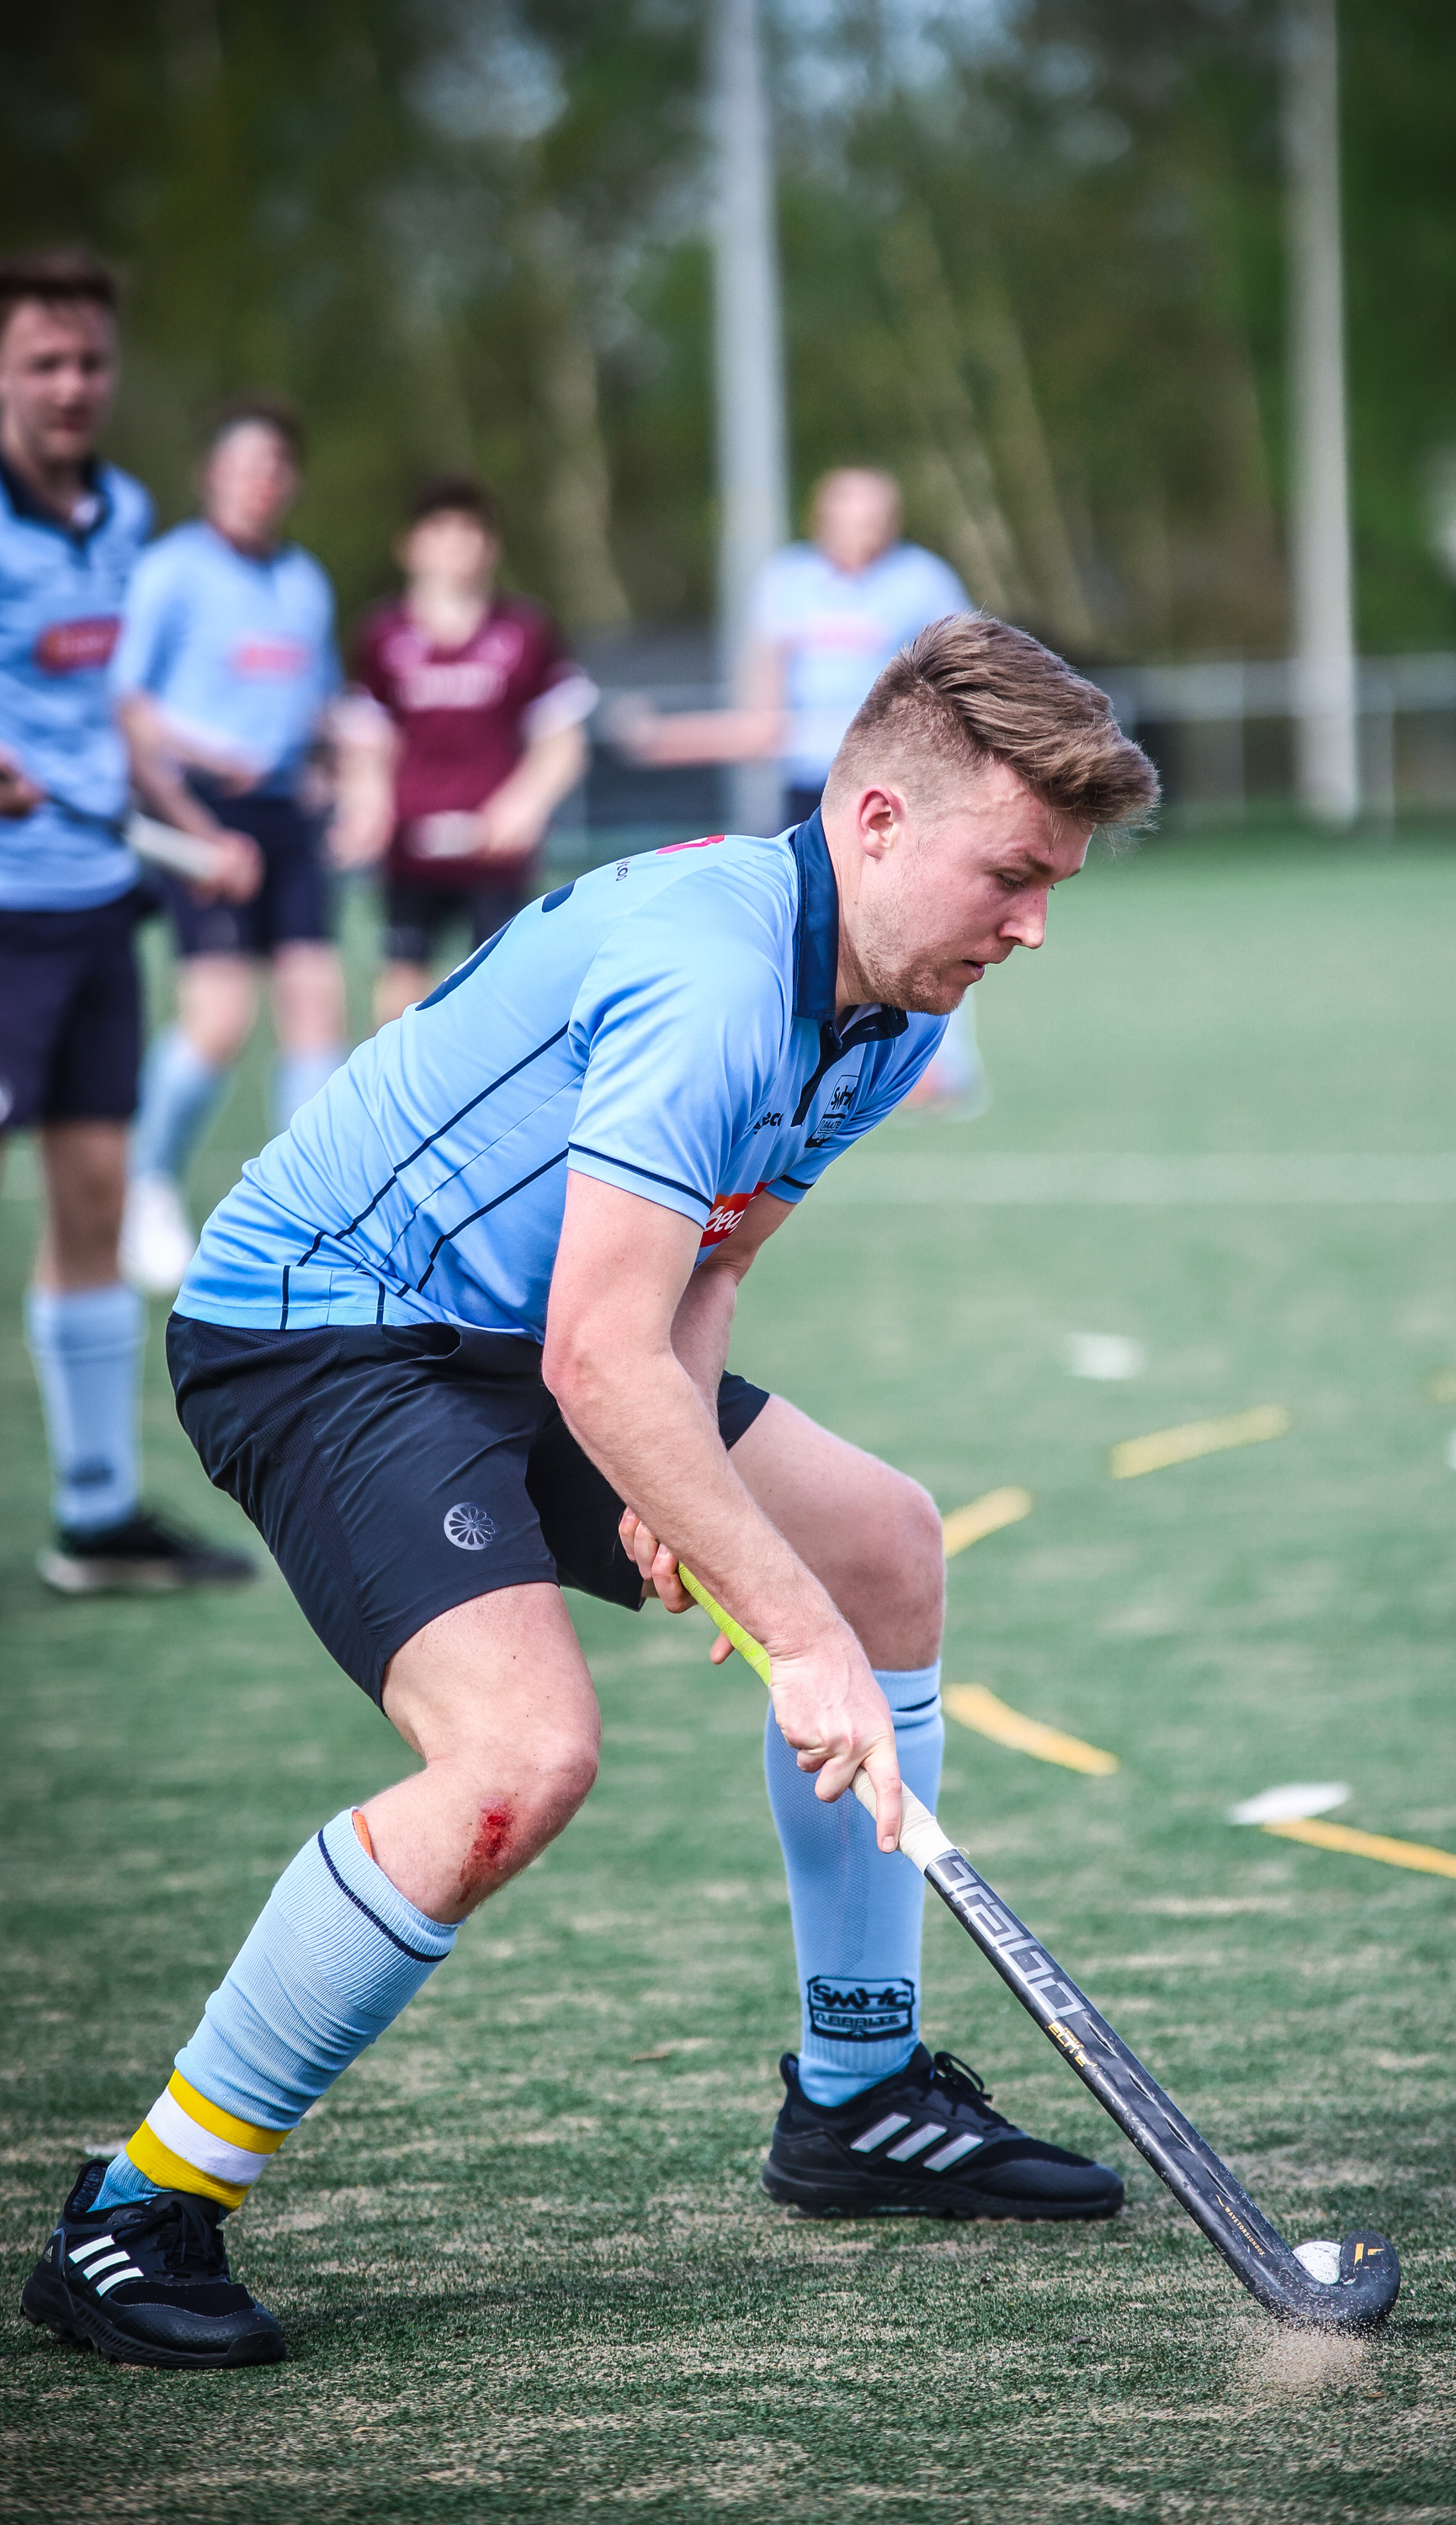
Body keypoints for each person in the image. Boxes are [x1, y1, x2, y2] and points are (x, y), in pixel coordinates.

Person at [21, 614, 1158, 2369]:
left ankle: (855, 2097)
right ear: (871, 822)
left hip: (543, 1324)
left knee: (883, 1549)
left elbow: (701, 1272)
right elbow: (595, 1364)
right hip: (324, 1330)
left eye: (1054, 886)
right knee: (520, 1760)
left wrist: (684, 1473)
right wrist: (790, 1635)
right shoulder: (714, 975)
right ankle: (135, 2214)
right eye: (1010, 873)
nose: (1031, 924)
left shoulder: (892, 1009)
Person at [0, 247, 256, 1597]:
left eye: (88, 360)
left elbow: (117, 712)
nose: (70, 385)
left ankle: (94, 1518)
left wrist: (182, 822)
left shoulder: (121, 518)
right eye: (42, 362)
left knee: (93, 1196)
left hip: (97, 903)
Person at [624, 466, 986, 1114]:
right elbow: (763, 700)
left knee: (930, 911)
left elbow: (963, 675)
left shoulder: (923, 580)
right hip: (811, 787)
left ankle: (937, 1063)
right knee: (812, 923)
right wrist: (675, 737)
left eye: (878, 515)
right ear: (823, 517)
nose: (866, 529)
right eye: (853, 514)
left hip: (901, 781)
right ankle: (804, 1058)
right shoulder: (788, 582)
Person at [115, 396, 346, 1296]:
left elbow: (318, 710)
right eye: (245, 465)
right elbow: (130, 712)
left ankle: (306, 1212)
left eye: (276, 468)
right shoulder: (169, 572)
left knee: (317, 1009)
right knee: (218, 1021)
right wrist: (201, 829)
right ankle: (148, 1186)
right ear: (213, 475)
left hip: (287, 815)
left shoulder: (304, 581)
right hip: (197, 812)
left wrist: (346, 772)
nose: (260, 482)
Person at [332, 473, 596, 1027]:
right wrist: (366, 804)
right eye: (441, 529)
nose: (457, 544)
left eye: (470, 530)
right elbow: (366, 743)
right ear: (411, 545)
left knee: (503, 998)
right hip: (409, 852)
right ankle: (401, 1113)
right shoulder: (382, 636)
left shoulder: (525, 631)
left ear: (491, 545)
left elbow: (562, 741)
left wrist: (524, 804)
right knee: (401, 998)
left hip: (494, 856)